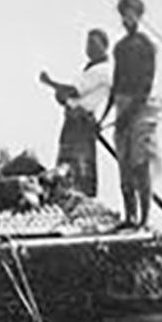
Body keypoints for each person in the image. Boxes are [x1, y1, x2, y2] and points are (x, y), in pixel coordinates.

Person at [39, 27, 113, 196]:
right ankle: (65, 191)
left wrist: (49, 82)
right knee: (68, 160)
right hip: (74, 119)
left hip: (81, 121)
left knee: (78, 164)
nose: (89, 48)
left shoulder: (101, 71)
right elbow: (70, 96)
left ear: (104, 46)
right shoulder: (90, 70)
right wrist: (63, 97)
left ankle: (77, 193)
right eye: (88, 44)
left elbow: (74, 91)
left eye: (93, 44)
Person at [110, 0, 160, 229]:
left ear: (139, 16)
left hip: (140, 108)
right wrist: (108, 116)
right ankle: (130, 215)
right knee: (124, 164)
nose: (126, 19)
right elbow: (116, 81)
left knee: (141, 165)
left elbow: (146, 85)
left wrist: (127, 115)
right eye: (123, 14)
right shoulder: (119, 47)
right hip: (122, 104)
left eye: (131, 14)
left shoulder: (146, 46)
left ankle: (144, 219)